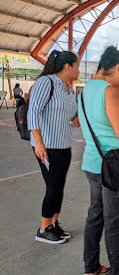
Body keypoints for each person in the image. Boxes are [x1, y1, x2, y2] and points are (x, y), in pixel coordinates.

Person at [78, 46, 119, 275]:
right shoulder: (110, 91)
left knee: (95, 216)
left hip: (94, 163)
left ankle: (91, 267)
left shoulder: (87, 89)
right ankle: (118, 272)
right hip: (115, 168)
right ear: (117, 68)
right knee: (115, 222)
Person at [27, 50, 80, 244]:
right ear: (68, 67)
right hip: (47, 146)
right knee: (53, 186)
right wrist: (38, 142)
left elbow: (70, 112)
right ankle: (43, 228)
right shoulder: (46, 82)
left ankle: (54, 224)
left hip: (63, 144)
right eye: (77, 66)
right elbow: (33, 111)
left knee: (59, 185)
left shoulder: (67, 88)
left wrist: (76, 118)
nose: (78, 71)